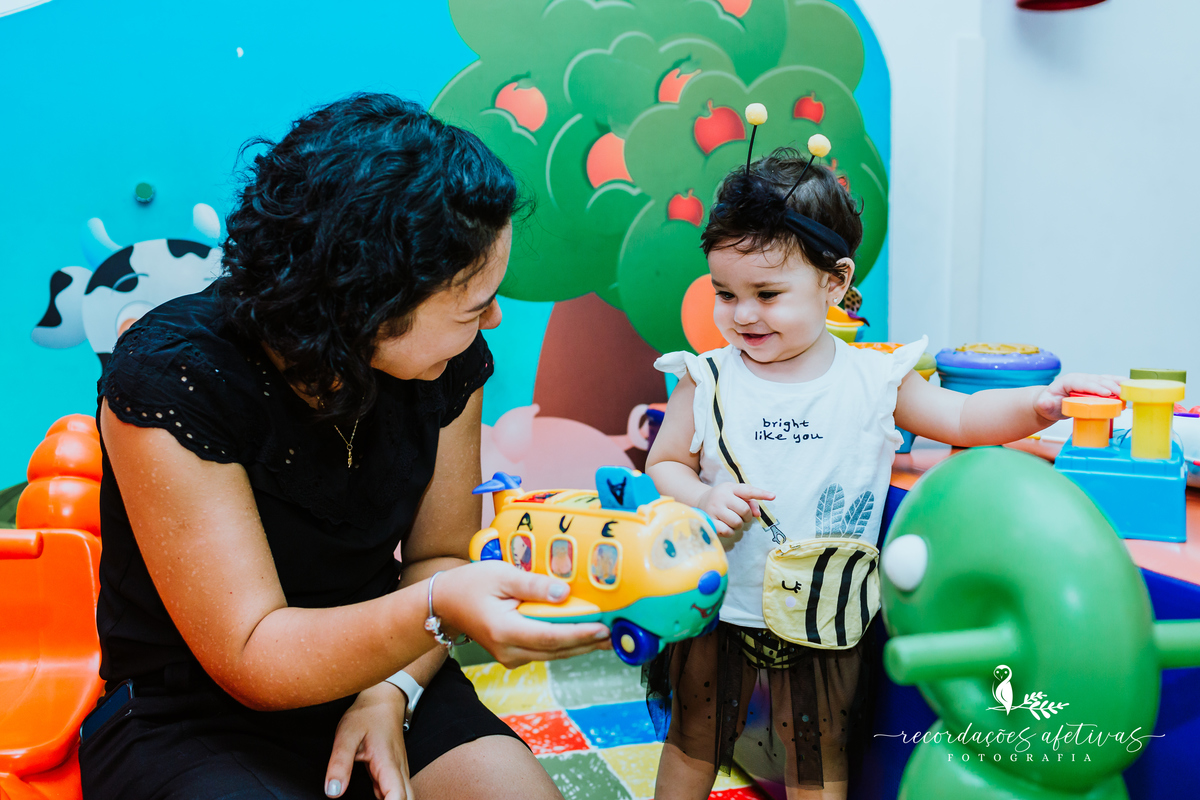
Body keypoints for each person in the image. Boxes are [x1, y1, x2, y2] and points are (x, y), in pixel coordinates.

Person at [80, 94, 611, 800]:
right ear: (367, 306)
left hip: (384, 662)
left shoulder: (446, 360)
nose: (493, 317)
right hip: (195, 708)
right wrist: (440, 605)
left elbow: (440, 556)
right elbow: (254, 655)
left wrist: (391, 689)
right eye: (471, 303)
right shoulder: (174, 376)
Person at [643, 147, 1122, 800]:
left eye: (767, 294)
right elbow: (663, 461)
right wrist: (702, 493)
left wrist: (1041, 405)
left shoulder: (875, 378)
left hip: (826, 616)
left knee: (816, 754)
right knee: (694, 739)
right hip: (718, 606)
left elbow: (964, 415)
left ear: (835, 282)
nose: (742, 314)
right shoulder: (707, 377)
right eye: (725, 293)